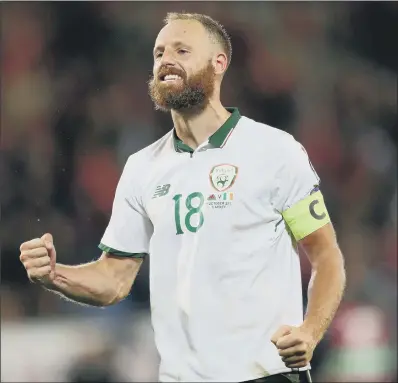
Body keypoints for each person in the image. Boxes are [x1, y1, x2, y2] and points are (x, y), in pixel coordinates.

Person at [19, 12, 346, 383]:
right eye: (158, 53)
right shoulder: (142, 168)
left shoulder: (274, 151)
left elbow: (325, 257)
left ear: (218, 63)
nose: (165, 60)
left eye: (181, 50)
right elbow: (114, 280)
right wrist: (55, 275)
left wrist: (310, 331)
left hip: (265, 374)